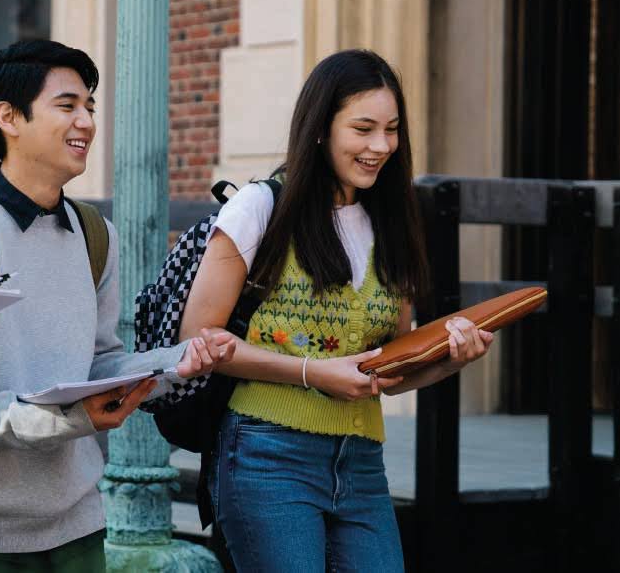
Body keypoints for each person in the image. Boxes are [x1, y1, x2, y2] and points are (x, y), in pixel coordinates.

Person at [0, 39, 236, 573]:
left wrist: (175, 363)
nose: (86, 121)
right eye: (67, 105)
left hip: (78, 522)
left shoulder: (96, 235)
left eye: (90, 106)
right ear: (8, 117)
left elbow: (98, 363)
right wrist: (60, 421)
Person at [175, 49, 494, 572]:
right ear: (321, 129)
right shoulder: (260, 207)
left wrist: (452, 357)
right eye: (363, 128)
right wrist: (312, 372)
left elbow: (387, 369)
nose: (380, 146)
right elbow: (199, 338)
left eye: (391, 130)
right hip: (266, 456)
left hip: (362, 462)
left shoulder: (392, 219)